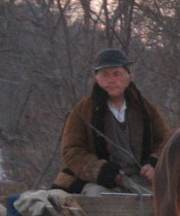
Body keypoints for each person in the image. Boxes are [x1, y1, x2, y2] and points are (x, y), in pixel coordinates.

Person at [52, 48, 170, 195]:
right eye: (105, 74)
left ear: (129, 78)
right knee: (100, 198)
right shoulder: (83, 110)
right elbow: (72, 150)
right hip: (96, 181)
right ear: (96, 79)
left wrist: (155, 164)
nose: (111, 79)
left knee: (165, 200)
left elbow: (166, 140)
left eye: (117, 74)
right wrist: (100, 170)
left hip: (139, 177)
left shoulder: (146, 109)